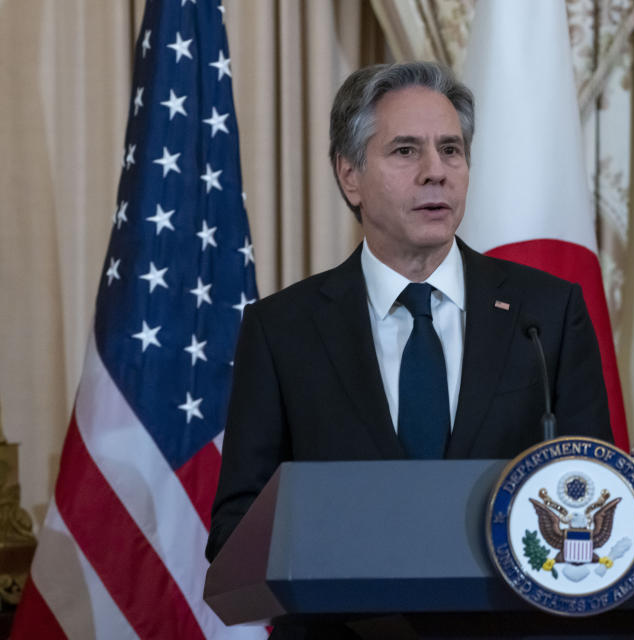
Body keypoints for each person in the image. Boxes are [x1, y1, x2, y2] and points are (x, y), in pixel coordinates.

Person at [207, 62, 612, 566]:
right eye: (405, 151)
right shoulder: (282, 330)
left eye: (450, 150)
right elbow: (236, 526)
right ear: (349, 175)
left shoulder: (547, 314)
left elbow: (593, 492)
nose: (435, 171)